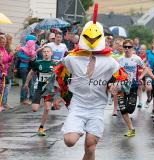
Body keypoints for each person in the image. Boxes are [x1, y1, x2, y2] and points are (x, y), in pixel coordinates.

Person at [57, 2, 126, 159]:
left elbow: (121, 80)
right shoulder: (72, 59)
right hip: (78, 106)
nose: (92, 40)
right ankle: (77, 127)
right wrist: (59, 97)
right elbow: (60, 76)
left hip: (97, 108)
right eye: (88, 37)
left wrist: (115, 87)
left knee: (90, 145)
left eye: (95, 37)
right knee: (69, 140)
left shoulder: (110, 61)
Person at [24, 46, 57, 136]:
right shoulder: (38, 63)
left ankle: (41, 127)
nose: (46, 53)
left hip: (49, 89)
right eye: (44, 51)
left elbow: (60, 75)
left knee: (47, 108)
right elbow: (31, 73)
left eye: (48, 51)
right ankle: (42, 101)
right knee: (35, 109)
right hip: (39, 88)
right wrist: (26, 83)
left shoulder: (55, 63)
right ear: (42, 53)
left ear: (51, 53)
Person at [118, 39, 145, 136]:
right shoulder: (120, 60)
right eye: (125, 47)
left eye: (129, 47)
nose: (127, 49)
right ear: (123, 48)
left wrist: (141, 77)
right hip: (122, 87)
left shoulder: (136, 58)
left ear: (132, 48)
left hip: (133, 86)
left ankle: (131, 128)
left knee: (130, 109)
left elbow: (146, 68)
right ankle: (131, 129)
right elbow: (116, 73)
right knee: (123, 109)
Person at [145, 38, 154, 107]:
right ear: (152, 45)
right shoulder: (148, 52)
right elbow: (146, 60)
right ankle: (148, 98)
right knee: (148, 88)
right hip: (149, 73)